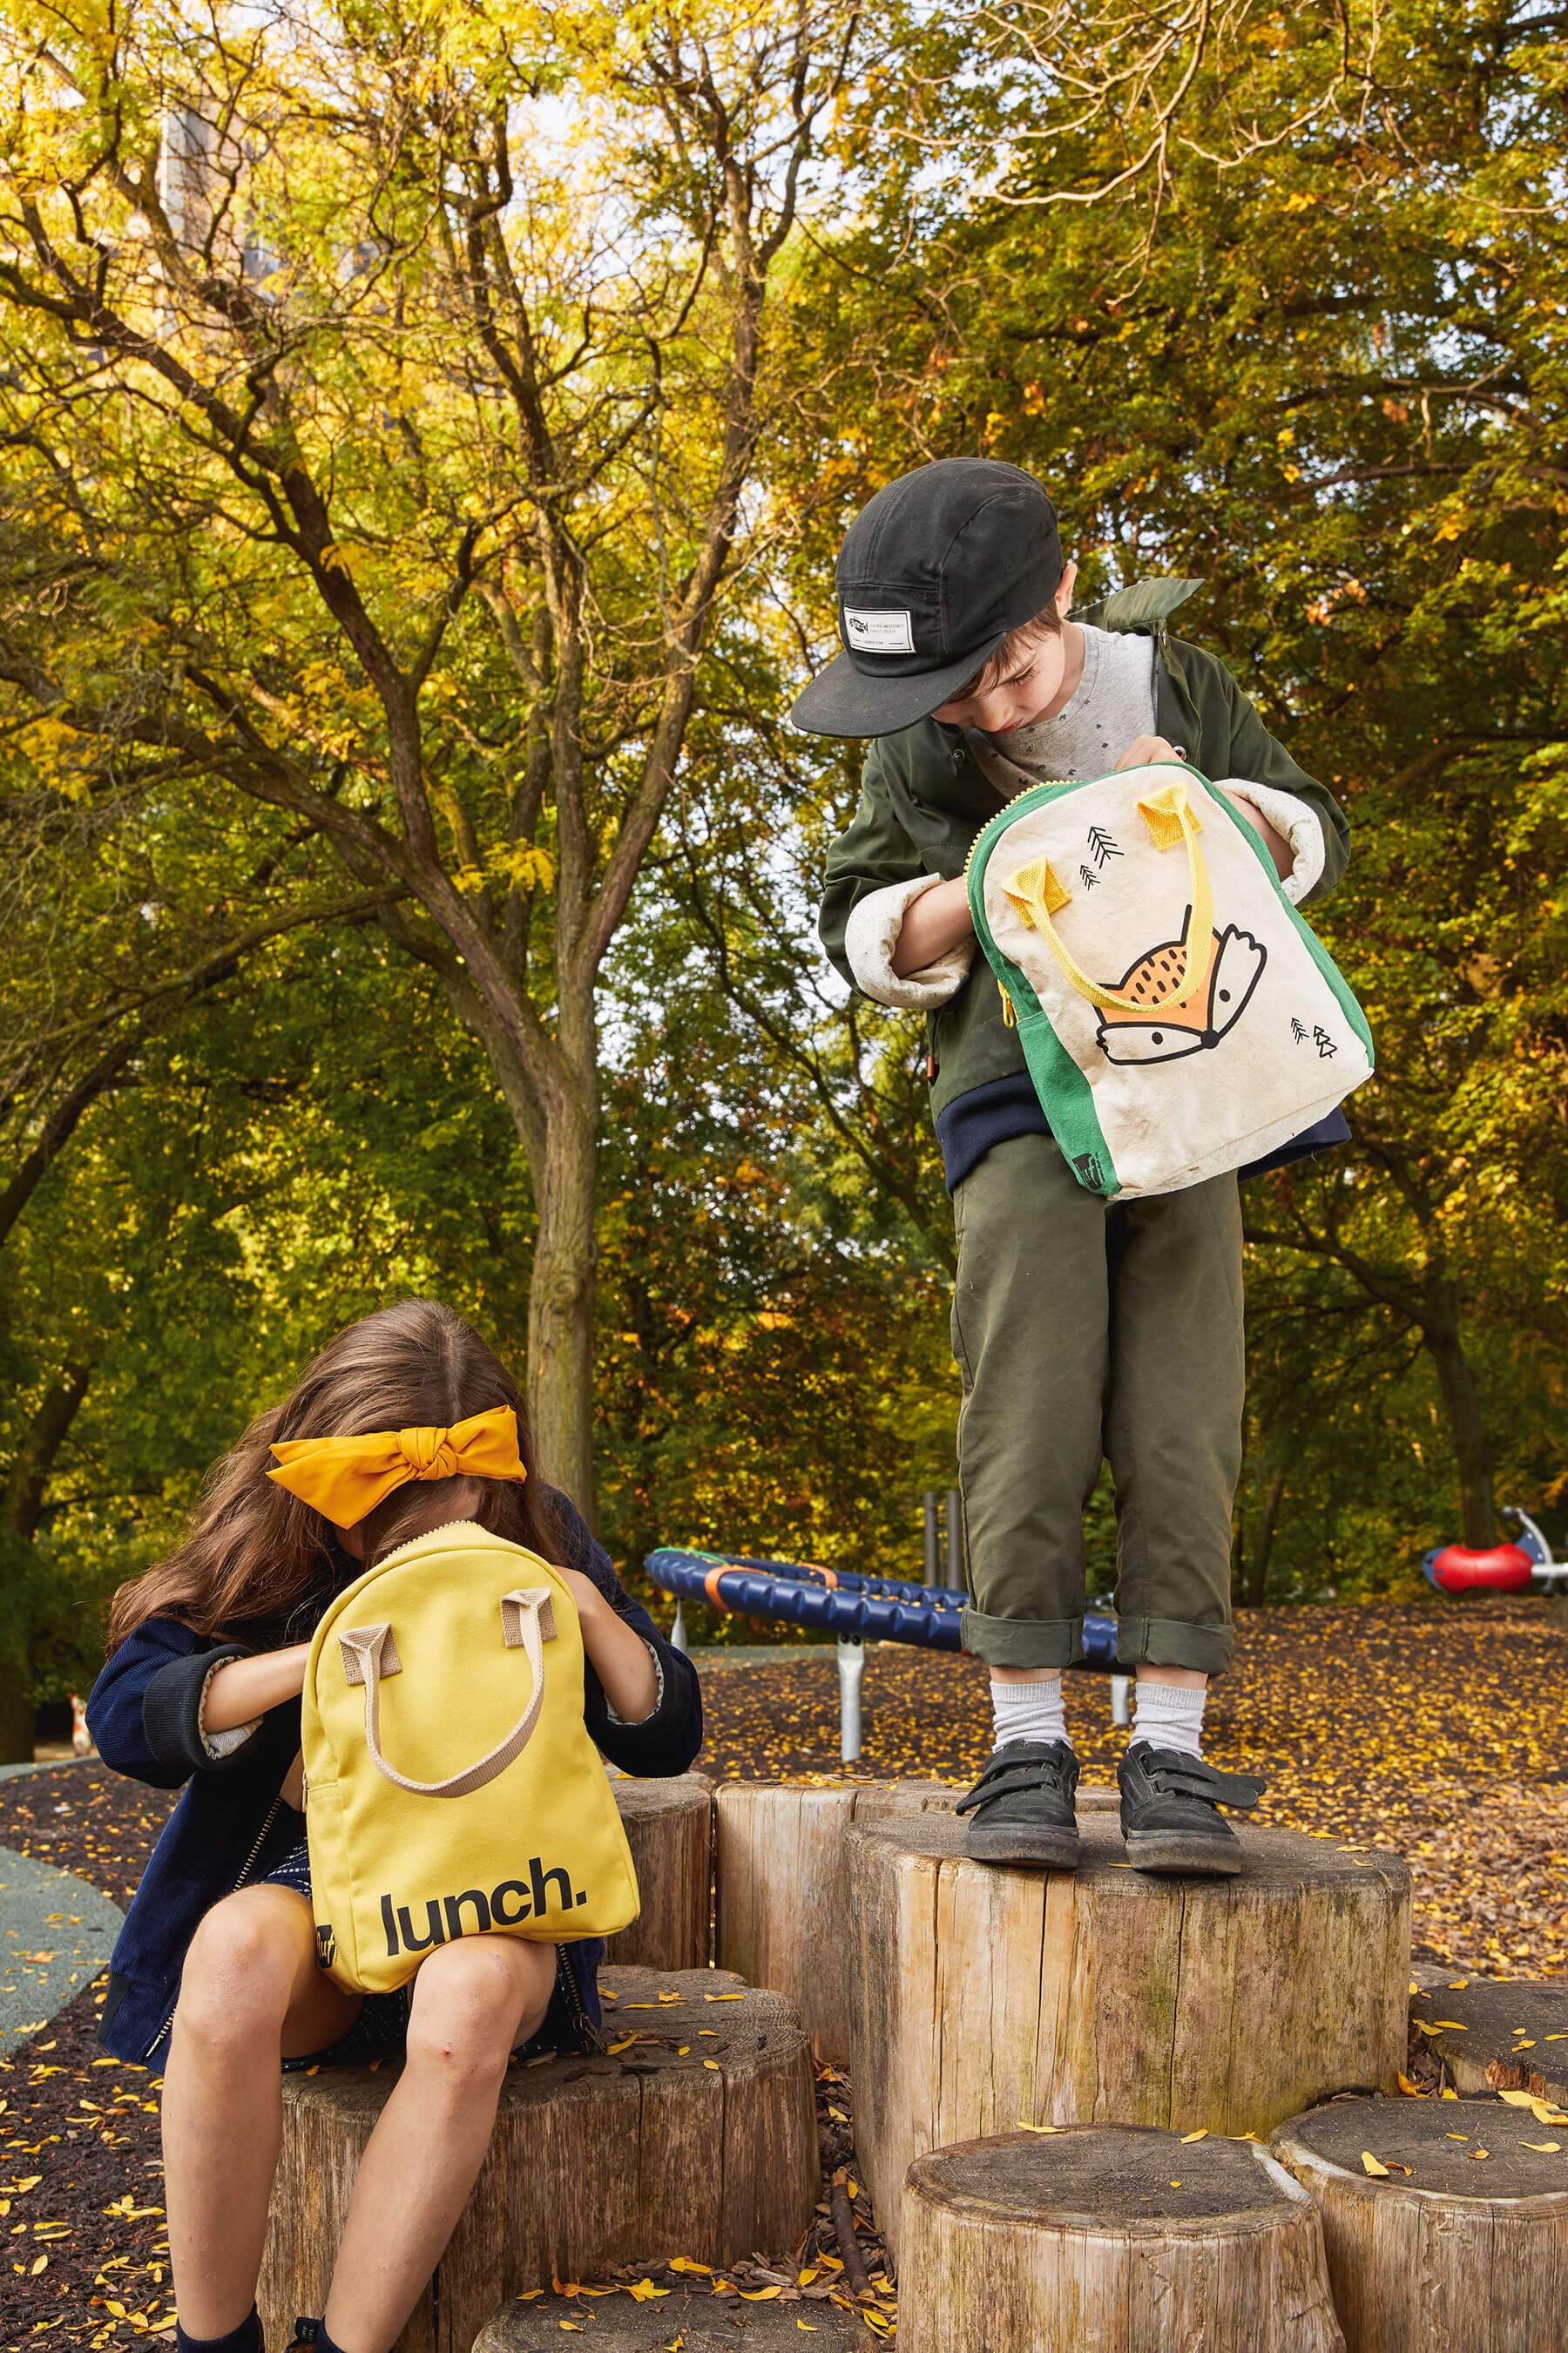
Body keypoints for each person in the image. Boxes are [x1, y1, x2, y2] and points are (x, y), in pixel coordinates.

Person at [803, 457, 1349, 1876]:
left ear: (1060, 591)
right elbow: (862, 917)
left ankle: (1169, 1746)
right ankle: (1025, 1737)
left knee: (1183, 1410)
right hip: (1017, 1110)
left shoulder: (1177, 681)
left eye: (1013, 670)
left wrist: (1222, 810)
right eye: (957, 693)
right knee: (1029, 1408)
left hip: (1195, 1093)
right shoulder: (922, 748)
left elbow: (1308, 830)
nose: (991, 707)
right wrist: (966, 889)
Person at [88, 1298, 701, 2353]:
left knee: (460, 1999)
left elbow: (666, 1733)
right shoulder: (274, 1536)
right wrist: (327, 1644)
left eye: (448, 1490)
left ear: (493, 1468)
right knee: (229, 1952)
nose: (420, 1519)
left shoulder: (536, 1529)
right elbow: (124, 1717)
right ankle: (214, 2340)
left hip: (494, 1894)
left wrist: (587, 1610)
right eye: (385, 1498)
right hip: (324, 1892)